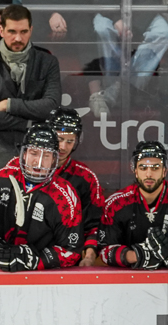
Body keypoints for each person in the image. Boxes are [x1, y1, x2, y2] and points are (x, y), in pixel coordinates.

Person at [0, 4, 61, 193]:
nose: (18, 38)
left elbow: (52, 107)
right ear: (1, 30)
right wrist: (31, 122)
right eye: (12, 31)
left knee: (39, 217)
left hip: (39, 154)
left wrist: (10, 104)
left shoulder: (48, 62)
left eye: (23, 31)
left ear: (31, 30)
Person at [0, 124, 83, 272]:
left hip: (43, 280)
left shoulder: (64, 197)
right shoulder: (3, 178)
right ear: (24, 153)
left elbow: (71, 251)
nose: (38, 162)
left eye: (46, 155)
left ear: (54, 159)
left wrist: (34, 259)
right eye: (34, 153)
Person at [99, 141, 168, 270]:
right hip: (126, 281)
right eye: (143, 168)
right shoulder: (115, 204)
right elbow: (104, 250)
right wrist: (136, 256)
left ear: (164, 171)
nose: (149, 174)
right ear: (135, 171)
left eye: (155, 168)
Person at [89, 1, 168, 117]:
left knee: (163, 33)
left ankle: (125, 89)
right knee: (102, 28)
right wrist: (117, 18)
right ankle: (113, 86)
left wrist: (133, 26)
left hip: (144, 12)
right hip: (109, 9)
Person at [47, 108, 106, 266]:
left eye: (69, 141)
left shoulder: (86, 178)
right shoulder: (31, 172)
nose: (63, 147)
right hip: (33, 257)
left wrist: (89, 256)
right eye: (59, 139)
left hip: (71, 260)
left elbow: (94, 225)